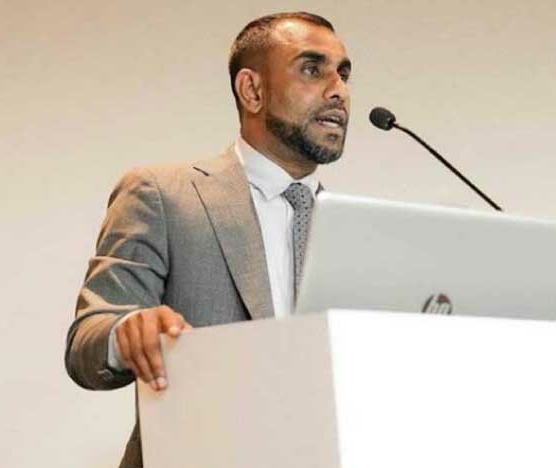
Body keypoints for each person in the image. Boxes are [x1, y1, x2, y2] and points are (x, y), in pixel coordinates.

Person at [64, 12, 352, 468]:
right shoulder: (163, 194)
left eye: (344, 73)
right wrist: (128, 332)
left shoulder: (354, 230)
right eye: (312, 69)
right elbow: (88, 340)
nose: (338, 90)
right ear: (252, 90)